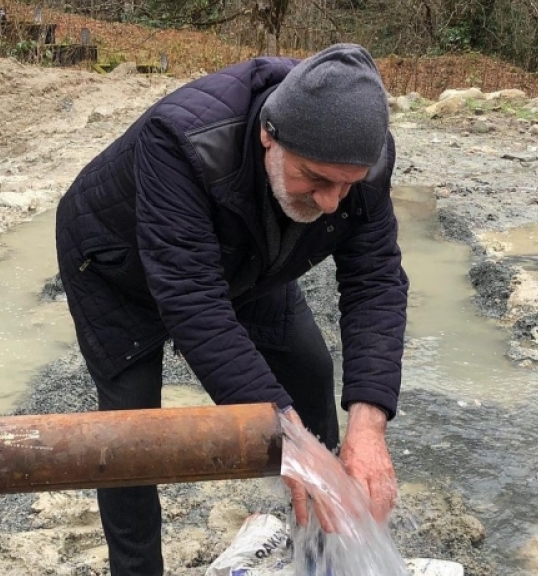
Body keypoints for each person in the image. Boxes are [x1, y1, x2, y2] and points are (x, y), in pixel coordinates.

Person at [56, 43, 408, 576]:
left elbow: (376, 280)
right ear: (270, 134)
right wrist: (290, 444)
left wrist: (369, 424)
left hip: (244, 251)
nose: (334, 202)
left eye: (347, 185)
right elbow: (192, 301)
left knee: (311, 372)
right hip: (114, 264)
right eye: (315, 179)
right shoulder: (181, 139)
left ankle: (321, 559)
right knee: (131, 434)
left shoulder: (361, 156)